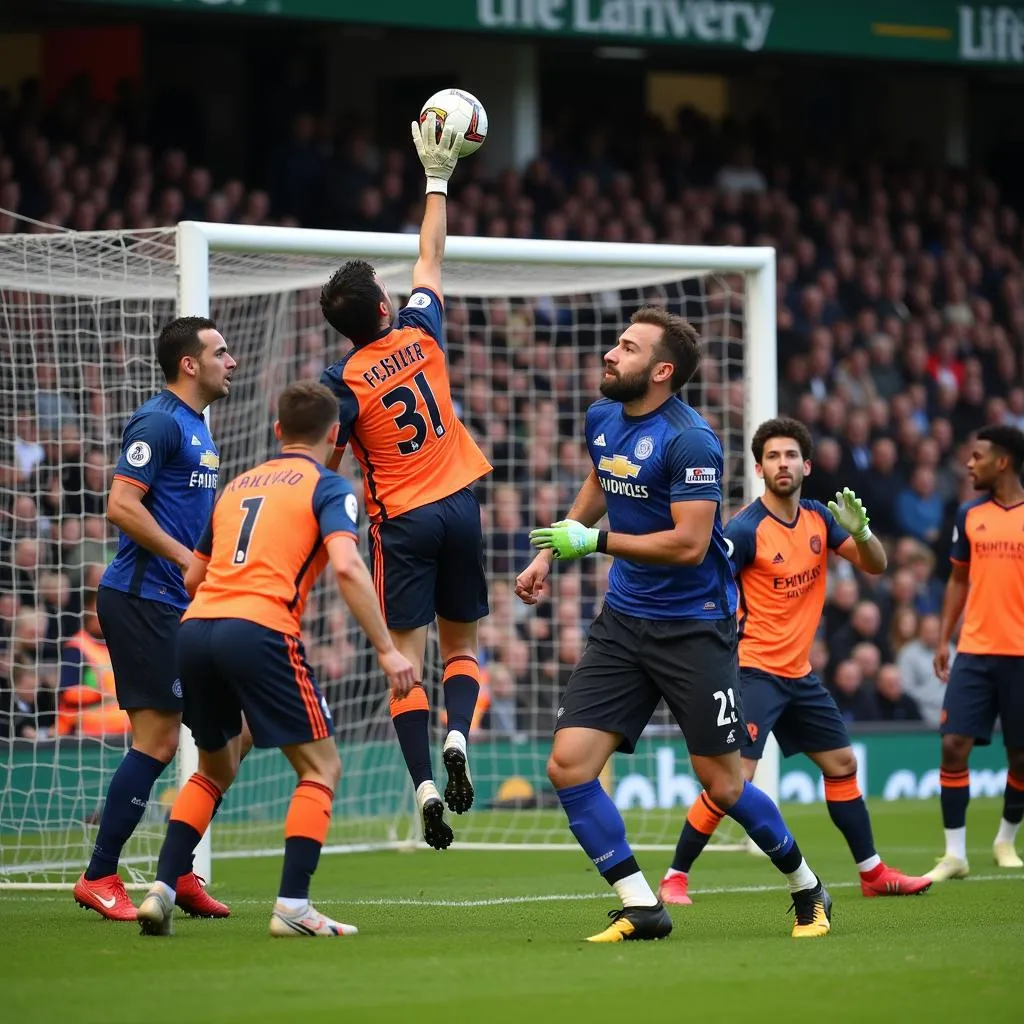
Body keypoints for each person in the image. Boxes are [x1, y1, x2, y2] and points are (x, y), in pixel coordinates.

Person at [517, 308, 832, 942]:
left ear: (661, 371)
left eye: (627, 348)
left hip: (694, 627)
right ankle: (641, 905)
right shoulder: (602, 418)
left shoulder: (692, 440)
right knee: (568, 766)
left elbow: (691, 544)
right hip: (625, 622)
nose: (610, 354)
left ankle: (807, 887)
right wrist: (552, 547)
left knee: (722, 780)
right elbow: (605, 478)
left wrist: (596, 542)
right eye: (616, 343)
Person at [136, 381, 416, 938]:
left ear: (278, 431)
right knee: (321, 767)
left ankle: (161, 888)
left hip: (195, 630)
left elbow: (192, 577)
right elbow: (346, 566)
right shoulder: (329, 487)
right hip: (259, 630)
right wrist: (387, 649)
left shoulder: (237, 485)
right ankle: (292, 907)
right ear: (335, 433)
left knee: (215, 767)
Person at [656, 418, 931, 906]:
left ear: (806, 465)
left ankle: (872, 873)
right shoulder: (744, 530)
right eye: (773, 457)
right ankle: (675, 877)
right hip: (752, 672)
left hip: (799, 674)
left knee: (843, 763)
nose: (782, 464)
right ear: (760, 469)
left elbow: (877, 565)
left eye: (790, 456)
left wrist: (863, 533)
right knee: (731, 783)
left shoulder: (820, 520)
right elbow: (703, 583)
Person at [319, 117, 491, 850]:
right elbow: (431, 252)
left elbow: (319, 466)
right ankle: (460, 737)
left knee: (403, 663)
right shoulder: (422, 333)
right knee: (464, 652)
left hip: (404, 523)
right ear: (385, 309)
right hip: (461, 505)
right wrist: (436, 176)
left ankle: (423, 783)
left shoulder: (341, 383)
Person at [74, 316, 239, 921]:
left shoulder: (197, 426)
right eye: (220, 352)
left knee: (229, 736)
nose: (233, 360)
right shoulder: (159, 420)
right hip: (143, 599)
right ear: (189, 363)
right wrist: (183, 559)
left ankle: (175, 873)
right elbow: (121, 504)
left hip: (181, 604)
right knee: (160, 739)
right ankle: (99, 876)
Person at [928, 425, 1024, 880]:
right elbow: (959, 580)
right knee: (952, 746)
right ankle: (955, 854)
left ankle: (1005, 840)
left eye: (978, 456)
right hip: (976, 651)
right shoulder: (968, 514)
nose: (969, 464)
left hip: (1021, 655)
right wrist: (944, 638)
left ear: (1002, 462)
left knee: (1021, 756)